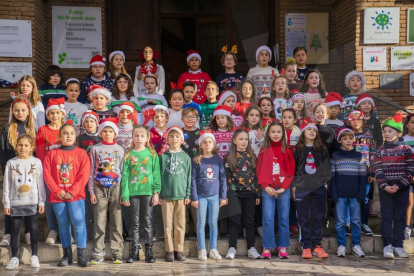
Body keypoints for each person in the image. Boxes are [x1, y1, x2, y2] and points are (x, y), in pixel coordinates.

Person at [43, 123, 91, 267]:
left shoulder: (81, 153)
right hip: (58, 196)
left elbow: (84, 174)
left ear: (75, 135)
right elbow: (48, 175)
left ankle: (81, 254)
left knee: (79, 222)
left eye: (71, 133)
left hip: (76, 196)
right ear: (60, 135)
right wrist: (59, 191)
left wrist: (72, 191)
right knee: (63, 224)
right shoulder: (52, 154)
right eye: (65, 133)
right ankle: (67, 255)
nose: (68, 136)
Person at [373, 113, 414, 259]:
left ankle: (398, 245)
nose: (386, 134)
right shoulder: (380, 150)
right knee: (386, 217)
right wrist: (384, 186)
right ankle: (387, 245)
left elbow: (410, 169)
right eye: (384, 132)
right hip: (385, 190)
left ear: (399, 132)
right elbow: (377, 169)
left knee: (400, 217)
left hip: (401, 189)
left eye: (390, 131)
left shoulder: (406, 150)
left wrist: (400, 185)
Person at [3, 135, 45, 270]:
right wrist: (7, 203)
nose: (23, 148)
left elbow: (40, 184)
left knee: (33, 229)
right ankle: (14, 257)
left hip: (32, 201)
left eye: (26, 145)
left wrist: (41, 201)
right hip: (16, 202)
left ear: (31, 147)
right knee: (15, 230)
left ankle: (34, 255)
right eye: (20, 145)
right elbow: (7, 185)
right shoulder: (11, 163)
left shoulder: (36, 162)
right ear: (16, 146)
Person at [121, 125, 161, 263]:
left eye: (142, 136)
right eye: (136, 135)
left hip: (148, 192)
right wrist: (125, 195)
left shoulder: (151, 153)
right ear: (132, 137)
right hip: (133, 193)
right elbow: (125, 176)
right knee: (134, 222)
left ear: (147, 138)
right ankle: (134, 250)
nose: (139, 138)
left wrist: (156, 192)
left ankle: (149, 249)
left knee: (148, 221)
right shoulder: (128, 154)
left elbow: (156, 174)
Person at [0, 98, 37, 247]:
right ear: (12, 112)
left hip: (29, 174)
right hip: (13, 173)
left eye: (23, 110)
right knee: (11, 204)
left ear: (28, 112)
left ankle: (28, 232)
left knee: (28, 202)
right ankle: (8, 233)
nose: (20, 113)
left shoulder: (32, 129)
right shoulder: (7, 128)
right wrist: (5, 172)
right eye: (17, 110)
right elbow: (3, 152)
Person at [292, 122, 331, 259]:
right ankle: (306, 246)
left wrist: (325, 183)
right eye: (308, 129)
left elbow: (327, 168)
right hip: (302, 187)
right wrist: (294, 185)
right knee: (303, 217)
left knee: (318, 216)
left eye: (314, 130)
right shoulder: (297, 150)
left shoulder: (322, 150)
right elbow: (294, 168)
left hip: (318, 187)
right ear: (303, 132)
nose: (312, 132)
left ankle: (317, 245)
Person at [88, 117, 125, 264]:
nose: (107, 133)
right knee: (99, 220)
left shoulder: (120, 149)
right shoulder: (95, 149)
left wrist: (122, 191)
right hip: (99, 187)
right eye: (105, 131)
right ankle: (98, 251)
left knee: (116, 220)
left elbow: (122, 171)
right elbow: (91, 171)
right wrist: (91, 191)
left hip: (115, 188)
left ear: (115, 133)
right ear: (100, 132)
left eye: (110, 131)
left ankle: (117, 252)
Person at [257, 122, 295, 259]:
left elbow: (291, 171)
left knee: (284, 218)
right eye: (273, 132)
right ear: (268, 134)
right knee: (267, 218)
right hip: (268, 189)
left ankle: (282, 246)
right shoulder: (264, 150)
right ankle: (267, 247)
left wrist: (283, 188)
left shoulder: (288, 150)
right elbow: (259, 170)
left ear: (283, 133)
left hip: (283, 189)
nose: (276, 134)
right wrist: (266, 186)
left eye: (279, 132)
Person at [224, 129, 261, 260]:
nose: (244, 142)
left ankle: (251, 248)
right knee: (234, 220)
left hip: (250, 193)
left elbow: (256, 176)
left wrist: (257, 194)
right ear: (234, 140)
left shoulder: (252, 156)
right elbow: (226, 177)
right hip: (234, 192)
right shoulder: (229, 157)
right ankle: (232, 247)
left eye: (246, 139)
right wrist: (226, 194)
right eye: (241, 139)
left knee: (250, 221)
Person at [331, 128, 366, 258]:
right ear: (340, 140)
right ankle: (342, 245)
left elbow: (362, 176)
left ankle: (356, 245)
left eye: (350, 138)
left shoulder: (358, 156)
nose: (348, 141)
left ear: (354, 140)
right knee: (340, 221)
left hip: (355, 194)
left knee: (356, 220)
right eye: (345, 139)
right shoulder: (335, 156)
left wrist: (361, 193)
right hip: (340, 194)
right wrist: (333, 193)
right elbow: (332, 176)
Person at [191, 132, 227, 261]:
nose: (207, 144)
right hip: (201, 196)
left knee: (213, 222)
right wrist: (194, 197)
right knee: (201, 222)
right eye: (205, 142)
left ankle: (213, 248)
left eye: (210, 142)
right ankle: (201, 249)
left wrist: (223, 196)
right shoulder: (197, 160)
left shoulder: (217, 160)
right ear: (201, 144)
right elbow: (193, 179)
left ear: (213, 144)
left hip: (215, 196)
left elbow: (223, 178)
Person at [36, 98, 66, 244]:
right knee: (49, 200)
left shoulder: (66, 130)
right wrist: (44, 172)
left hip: (65, 172)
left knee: (64, 199)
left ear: (62, 114)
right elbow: (41, 153)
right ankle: (52, 229)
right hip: (48, 172)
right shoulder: (43, 130)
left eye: (57, 113)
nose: (54, 116)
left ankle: (64, 229)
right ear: (48, 116)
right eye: (52, 113)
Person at [159, 127, 192, 262]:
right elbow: (159, 176)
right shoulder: (163, 157)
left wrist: (188, 194)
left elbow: (189, 176)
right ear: (167, 140)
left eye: (177, 137)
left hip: (181, 195)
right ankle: (169, 250)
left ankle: (179, 249)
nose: (174, 139)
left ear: (181, 140)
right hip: (166, 195)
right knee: (167, 224)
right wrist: (159, 194)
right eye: (171, 136)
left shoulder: (186, 157)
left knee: (180, 224)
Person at [348, 110, 375, 236]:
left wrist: (372, 173)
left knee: (364, 198)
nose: (356, 121)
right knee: (350, 197)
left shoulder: (369, 136)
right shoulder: (347, 136)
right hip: (350, 173)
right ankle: (348, 224)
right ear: (349, 121)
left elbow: (373, 155)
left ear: (363, 121)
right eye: (353, 119)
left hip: (365, 172)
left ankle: (364, 223)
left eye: (358, 119)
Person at [403, 113, 414, 239]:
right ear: (407, 124)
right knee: (409, 201)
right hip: (408, 176)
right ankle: (407, 226)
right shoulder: (403, 140)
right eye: (412, 122)